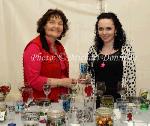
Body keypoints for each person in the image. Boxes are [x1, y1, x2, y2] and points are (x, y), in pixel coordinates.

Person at [23, 9, 76, 102]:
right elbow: (34, 80)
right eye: (52, 22)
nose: (56, 26)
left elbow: (60, 73)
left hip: (58, 103)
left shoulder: (59, 47)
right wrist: (62, 82)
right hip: (39, 104)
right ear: (43, 26)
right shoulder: (34, 47)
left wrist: (69, 81)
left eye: (60, 23)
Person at [87, 12, 136, 104]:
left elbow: (131, 79)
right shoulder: (93, 50)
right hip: (98, 102)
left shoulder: (126, 49)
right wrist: (87, 78)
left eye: (108, 28)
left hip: (120, 102)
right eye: (100, 29)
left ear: (116, 30)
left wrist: (130, 105)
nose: (104, 32)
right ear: (97, 31)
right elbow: (91, 74)